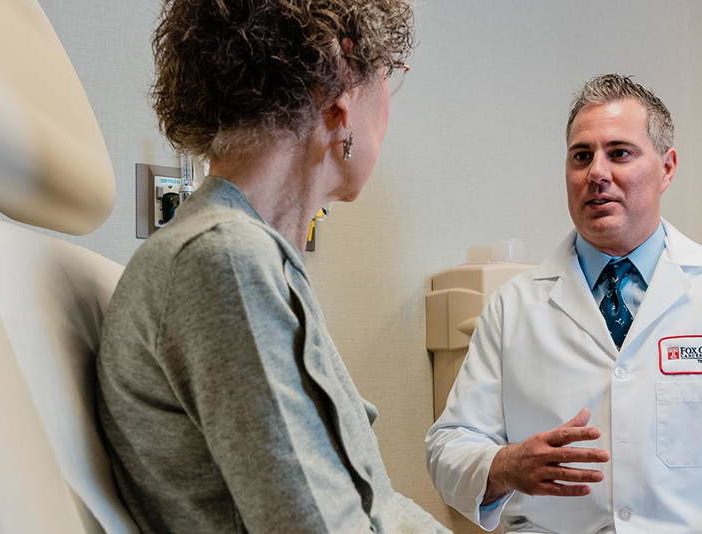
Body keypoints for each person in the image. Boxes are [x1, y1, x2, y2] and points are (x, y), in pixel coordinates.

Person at [425, 74, 702, 534]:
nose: (597, 173)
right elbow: (449, 445)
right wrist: (503, 465)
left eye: (619, 153)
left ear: (667, 168)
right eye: (581, 156)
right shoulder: (513, 307)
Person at [95, 1, 448, 533]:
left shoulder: (256, 259)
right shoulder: (226, 262)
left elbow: (375, 502)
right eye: (387, 77)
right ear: (340, 100)